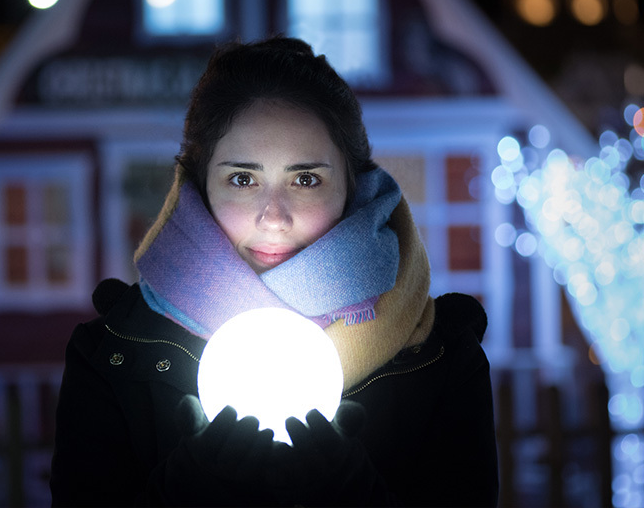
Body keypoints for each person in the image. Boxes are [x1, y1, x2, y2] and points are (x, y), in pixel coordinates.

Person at [49, 36, 498, 507]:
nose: (274, 217)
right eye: (243, 179)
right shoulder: (112, 355)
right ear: (201, 185)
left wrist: (355, 496)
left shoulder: (441, 358)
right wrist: (185, 491)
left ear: (351, 184)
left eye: (306, 179)